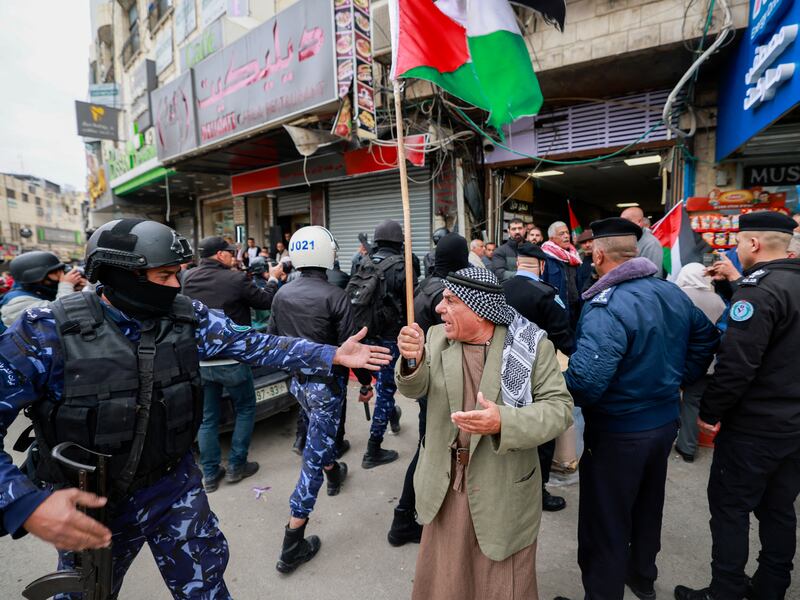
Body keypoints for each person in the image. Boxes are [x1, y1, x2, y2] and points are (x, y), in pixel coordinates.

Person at [0, 219, 390, 598]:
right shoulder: (45, 331)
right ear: (120, 274)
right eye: (164, 275)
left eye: (178, 274)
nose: (176, 285)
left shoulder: (187, 316)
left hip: (174, 489)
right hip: (94, 503)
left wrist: (332, 353)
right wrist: (25, 504)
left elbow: (258, 344)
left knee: (206, 587)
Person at [564, 217, 719, 600]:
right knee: (648, 506)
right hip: (662, 422)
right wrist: (679, 379)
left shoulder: (607, 304)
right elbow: (707, 336)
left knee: (605, 520)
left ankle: (604, 593)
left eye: (590, 252)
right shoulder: (669, 292)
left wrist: (557, 388)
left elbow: (586, 382)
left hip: (619, 431)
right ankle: (642, 577)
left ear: (599, 254)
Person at [396, 267, 573, 600]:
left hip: (503, 486)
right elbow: (413, 388)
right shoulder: (434, 338)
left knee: (502, 581)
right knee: (447, 578)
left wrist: (503, 423)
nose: (439, 308)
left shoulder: (532, 346)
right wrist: (410, 360)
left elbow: (560, 409)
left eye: (449, 301)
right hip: (445, 485)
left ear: (478, 309)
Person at [675, 212, 800, 600]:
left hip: (754, 428)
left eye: (740, 242)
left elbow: (736, 365)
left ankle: (725, 591)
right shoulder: (785, 283)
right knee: (779, 509)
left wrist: (710, 413)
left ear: (753, 244)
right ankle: (771, 588)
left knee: (730, 510)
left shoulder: (759, 291)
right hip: (793, 426)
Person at [267, 226, 374, 572]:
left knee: (319, 436)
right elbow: (352, 349)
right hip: (327, 388)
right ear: (328, 255)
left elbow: (272, 340)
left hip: (298, 384)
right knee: (312, 457)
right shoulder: (335, 295)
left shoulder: (282, 294)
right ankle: (291, 544)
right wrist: (367, 383)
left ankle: (334, 472)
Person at [180, 236, 284, 491]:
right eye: (230, 252)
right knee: (246, 408)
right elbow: (265, 301)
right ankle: (237, 466)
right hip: (233, 360)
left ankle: (211, 475)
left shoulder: (187, 278)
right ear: (219, 255)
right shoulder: (235, 279)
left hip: (202, 363)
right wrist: (272, 279)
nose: (233, 256)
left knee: (207, 419)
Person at [387, 232, 470, 547]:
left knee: (428, 447)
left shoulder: (424, 286)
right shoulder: (446, 295)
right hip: (438, 385)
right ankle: (404, 518)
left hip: (426, 382)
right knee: (429, 450)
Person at [502, 242, 574, 513]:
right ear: (542, 266)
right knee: (541, 433)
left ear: (518, 264)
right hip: (537, 374)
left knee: (506, 422)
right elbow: (564, 338)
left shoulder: (500, 289)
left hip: (502, 369)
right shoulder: (547, 294)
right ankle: (538, 491)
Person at [353, 219, 419, 468]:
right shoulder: (403, 267)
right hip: (391, 338)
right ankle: (373, 449)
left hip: (366, 335)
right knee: (386, 390)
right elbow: (410, 304)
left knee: (384, 384)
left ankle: (393, 418)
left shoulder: (363, 262)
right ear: (399, 241)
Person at [673, 263, 726, 463]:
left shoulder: (677, 296)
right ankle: (687, 447)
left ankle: (669, 435)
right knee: (693, 402)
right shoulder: (717, 300)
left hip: (679, 359)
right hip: (709, 362)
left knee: (671, 396)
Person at [1, 252, 85, 330]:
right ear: (35, 276)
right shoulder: (16, 301)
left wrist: (81, 289)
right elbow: (57, 315)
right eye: (56, 272)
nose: (61, 275)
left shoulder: (40, 291)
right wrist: (66, 285)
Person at [541, 221, 587, 333]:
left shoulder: (574, 256)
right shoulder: (545, 257)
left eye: (567, 233)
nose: (566, 236)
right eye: (562, 234)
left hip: (575, 309)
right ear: (552, 238)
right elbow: (542, 285)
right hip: (556, 311)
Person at [621, 206, 664, 277]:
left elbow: (654, 276)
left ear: (639, 222)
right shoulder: (629, 238)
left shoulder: (651, 244)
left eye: (626, 221)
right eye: (621, 221)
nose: (622, 224)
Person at [575, 229, 595, 293]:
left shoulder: (601, 260)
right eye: (584, 242)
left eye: (590, 241)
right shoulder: (577, 261)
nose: (587, 245)